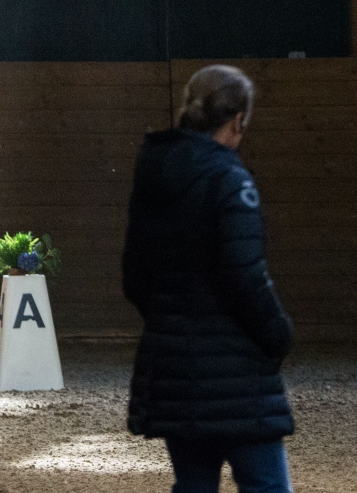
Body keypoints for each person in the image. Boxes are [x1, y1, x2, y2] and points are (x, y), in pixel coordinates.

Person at [122, 65, 295, 493]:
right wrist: (278, 336)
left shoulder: (154, 175)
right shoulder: (231, 182)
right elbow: (246, 279)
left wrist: (171, 320)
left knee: (194, 484)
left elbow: (134, 275)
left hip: (172, 370)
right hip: (236, 376)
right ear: (237, 120)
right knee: (266, 485)